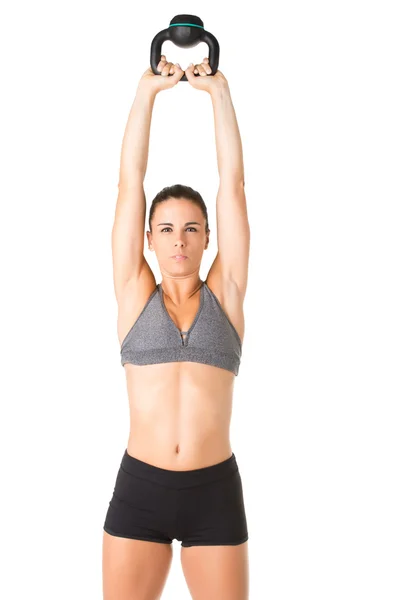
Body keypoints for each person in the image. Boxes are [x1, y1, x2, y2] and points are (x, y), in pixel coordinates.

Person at [102, 55, 251, 600]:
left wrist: (219, 95)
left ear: (208, 237)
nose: (179, 240)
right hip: (141, 489)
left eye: (191, 228)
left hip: (214, 493)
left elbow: (232, 186)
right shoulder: (133, 294)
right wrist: (147, 95)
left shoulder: (226, 296)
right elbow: (128, 185)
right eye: (166, 229)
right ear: (149, 238)